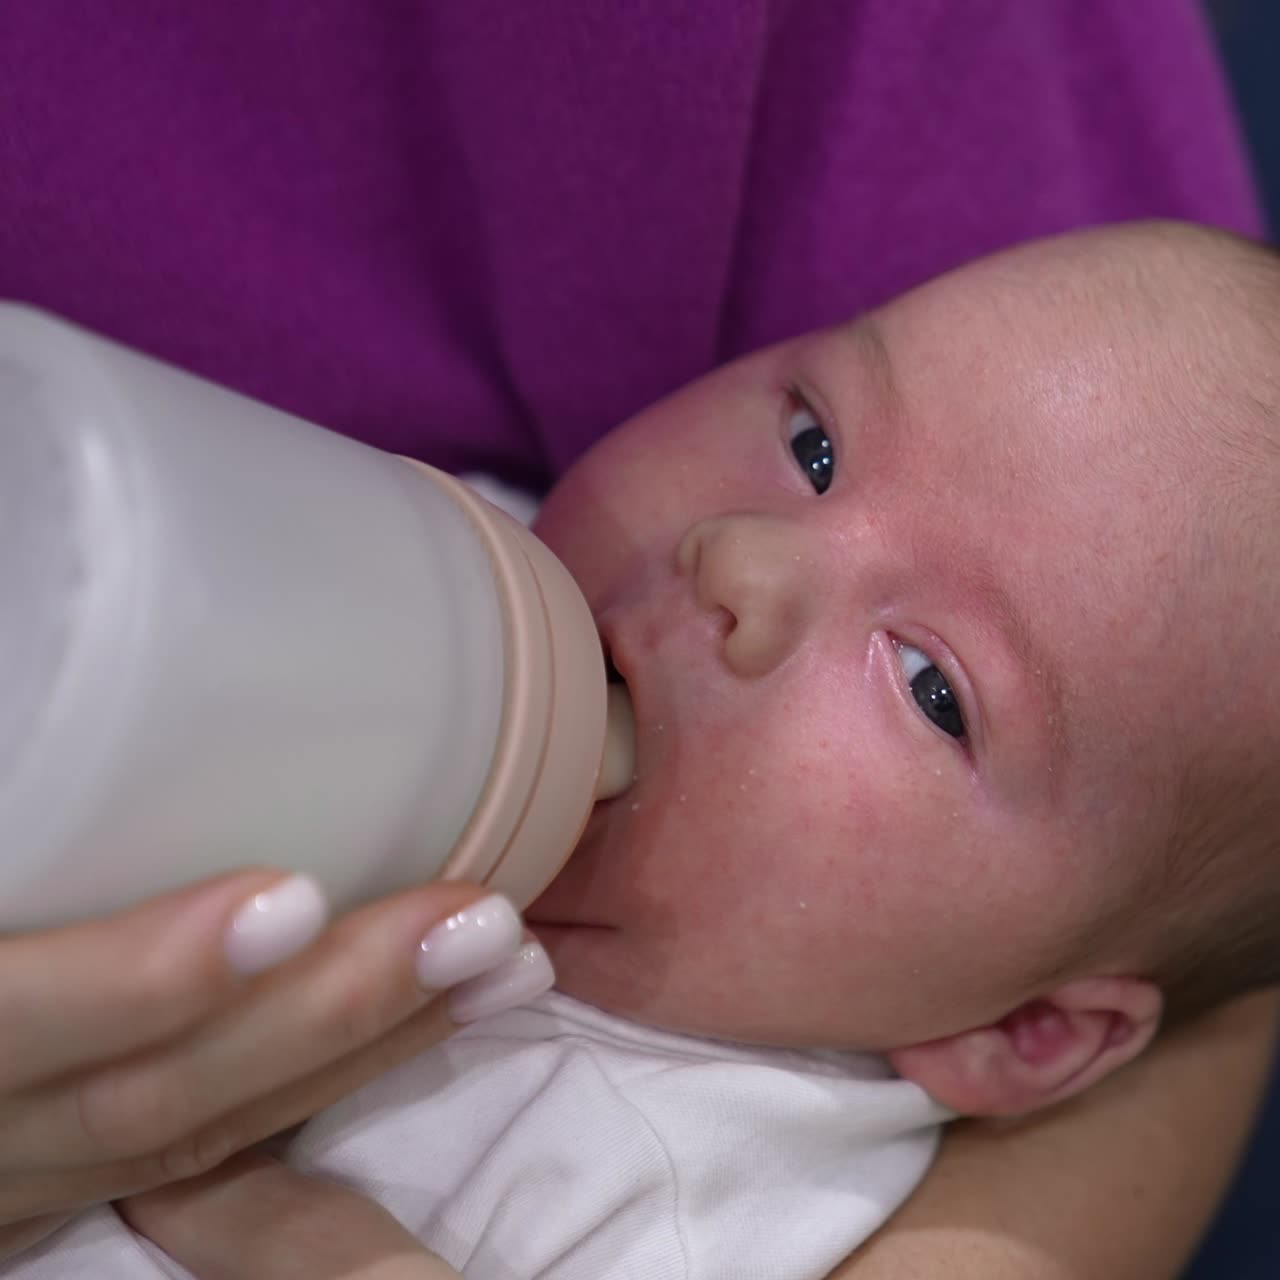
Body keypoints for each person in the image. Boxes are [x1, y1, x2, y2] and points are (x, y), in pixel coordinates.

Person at [0, 4, 1275, 1277]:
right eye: (811, 443)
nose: (745, 560)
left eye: (934, 687)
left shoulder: (682, 1203)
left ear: (1030, 1031)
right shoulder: (417, 545)